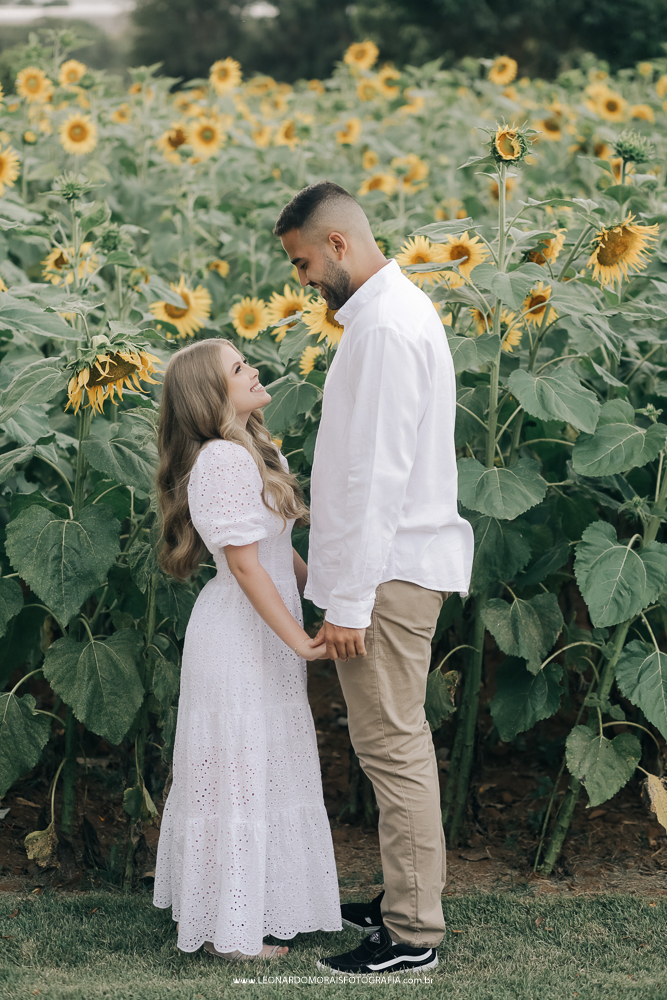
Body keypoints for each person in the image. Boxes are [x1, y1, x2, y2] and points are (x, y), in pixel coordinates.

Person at [274, 181, 474, 974]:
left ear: (337, 245)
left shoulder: (386, 329)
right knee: (390, 740)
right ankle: (400, 898)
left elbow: (382, 476)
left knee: (392, 745)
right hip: (387, 566)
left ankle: (412, 932)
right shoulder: (389, 316)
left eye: (302, 263)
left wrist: (348, 601)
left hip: (386, 577)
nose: (302, 281)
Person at [152, 338, 341, 960]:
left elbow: (273, 550)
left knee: (264, 767)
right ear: (212, 397)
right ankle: (233, 933)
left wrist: (320, 590)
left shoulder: (254, 451)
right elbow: (244, 567)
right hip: (240, 635)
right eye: (239, 368)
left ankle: (262, 905)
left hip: (266, 630)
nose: (254, 370)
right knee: (239, 771)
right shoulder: (221, 463)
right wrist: (301, 640)